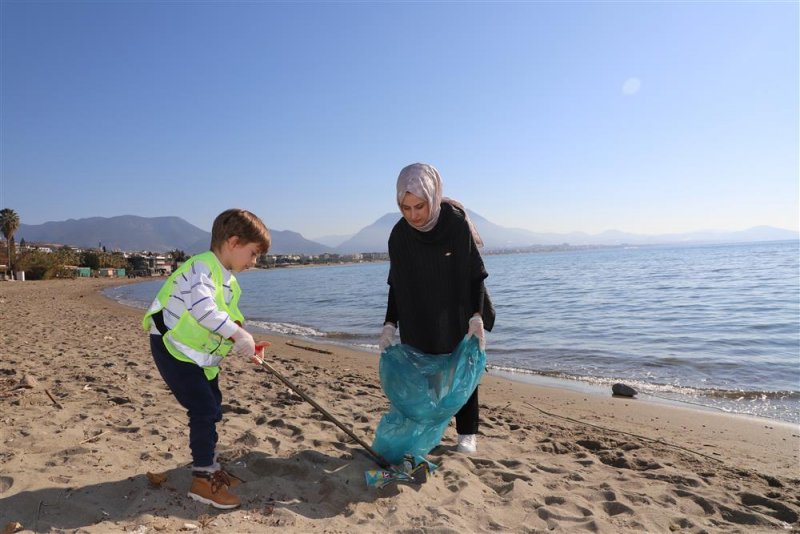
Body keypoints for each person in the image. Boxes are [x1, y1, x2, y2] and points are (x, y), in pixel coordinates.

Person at [142, 208, 271, 509]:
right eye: (253, 254)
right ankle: (202, 480)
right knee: (201, 408)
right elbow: (203, 311)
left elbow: (227, 320)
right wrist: (239, 337)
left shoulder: (227, 280)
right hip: (173, 349)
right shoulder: (201, 267)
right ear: (234, 242)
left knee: (212, 407)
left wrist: (246, 343)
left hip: (197, 358)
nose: (254, 263)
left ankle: (210, 467)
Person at [379, 163, 495, 455]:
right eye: (405, 208)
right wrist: (389, 324)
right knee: (424, 373)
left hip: (456, 306)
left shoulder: (455, 223)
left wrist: (476, 317)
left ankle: (467, 434)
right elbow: (397, 284)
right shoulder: (399, 235)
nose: (414, 215)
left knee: (462, 369)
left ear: (433, 197)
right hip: (418, 311)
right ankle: (428, 430)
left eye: (420, 206)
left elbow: (474, 274)